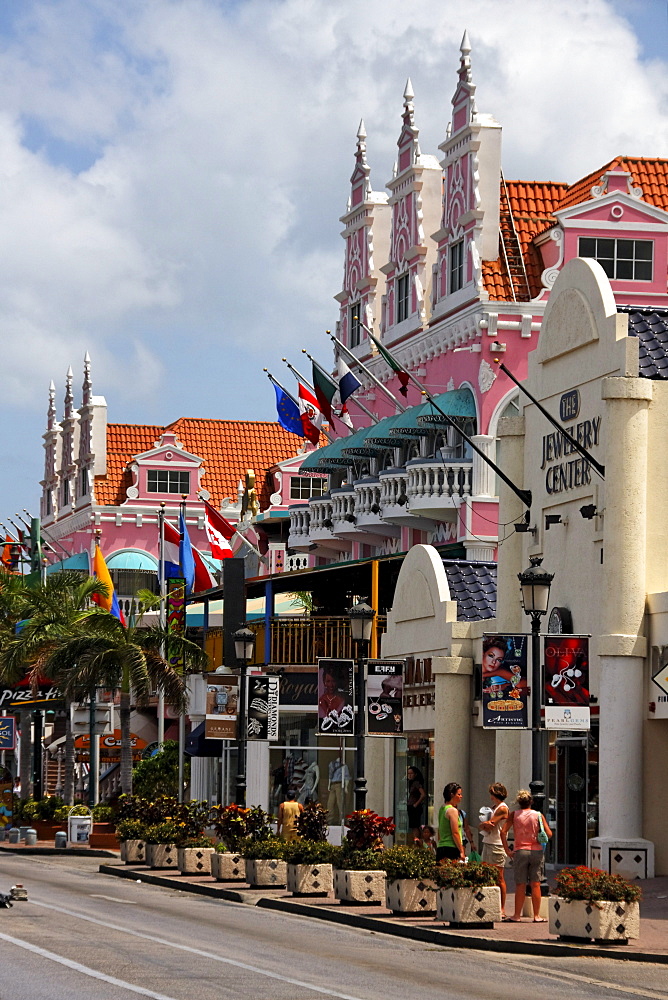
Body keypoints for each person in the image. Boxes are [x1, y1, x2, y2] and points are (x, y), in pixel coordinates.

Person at [501, 789, 552, 922]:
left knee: (520, 884)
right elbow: (549, 834)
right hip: (536, 851)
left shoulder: (514, 815)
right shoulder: (538, 815)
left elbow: (503, 831)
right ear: (531, 801)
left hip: (520, 850)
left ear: (519, 802)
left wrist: (507, 850)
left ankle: (517, 915)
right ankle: (537, 915)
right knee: (536, 884)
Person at [479, 781, 509, 917]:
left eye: (491, 793)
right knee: (486, 874)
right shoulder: (495, 807)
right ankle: (490, 904)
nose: (490, 796)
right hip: (489, 842)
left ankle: (502, 908)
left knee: (499, 877)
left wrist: (484, 824)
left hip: (496, 844)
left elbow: (490, 825)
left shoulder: (502, 808)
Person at [436, 782, 466, 862]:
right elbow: (455, 832)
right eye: (459, 794)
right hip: (451, 848)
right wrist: (461, 851)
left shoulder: (442, 809)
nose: (461, 796)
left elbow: (439, 831)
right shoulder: (452, 810)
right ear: (452, 795)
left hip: (441, 847)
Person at [407, 766, 426, 843]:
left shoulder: (416, 783)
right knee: (413, 826)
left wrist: (416, 804)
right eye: (408, 773)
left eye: (411, 773)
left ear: (415, 774)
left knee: (415, 826)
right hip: (411, 806)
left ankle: (417, 841)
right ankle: (417, 841)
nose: (409, 775)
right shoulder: (411, 783)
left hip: (414, 807)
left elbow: (423, 794)